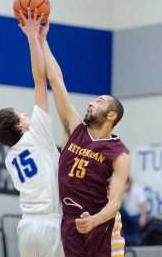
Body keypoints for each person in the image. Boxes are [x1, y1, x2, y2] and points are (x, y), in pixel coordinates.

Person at [38, 21, 130, 257]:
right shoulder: (74, 129)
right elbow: (56, 81)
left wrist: (94, 221)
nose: (91, 102)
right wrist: (42, 39)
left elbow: (115, 203)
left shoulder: (119, 154)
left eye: (99, 101)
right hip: (71, 222)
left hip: (103, 227)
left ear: (111, 115)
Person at [0, 9, 64, 257]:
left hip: (27, 227)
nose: (26, 114)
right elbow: (40, 80)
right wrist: (33, 38)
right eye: (21, 114)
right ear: (18, 126)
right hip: (50, 225)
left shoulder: (11, 157)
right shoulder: (38, 134)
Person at [120, 178, 147, 245]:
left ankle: (135, 241)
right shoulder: (122, 191)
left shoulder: (138, 190)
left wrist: (143, 217)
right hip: (127, 216)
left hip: (136, 216)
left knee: (136, 236)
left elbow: (142, 204)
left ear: (130, 183)